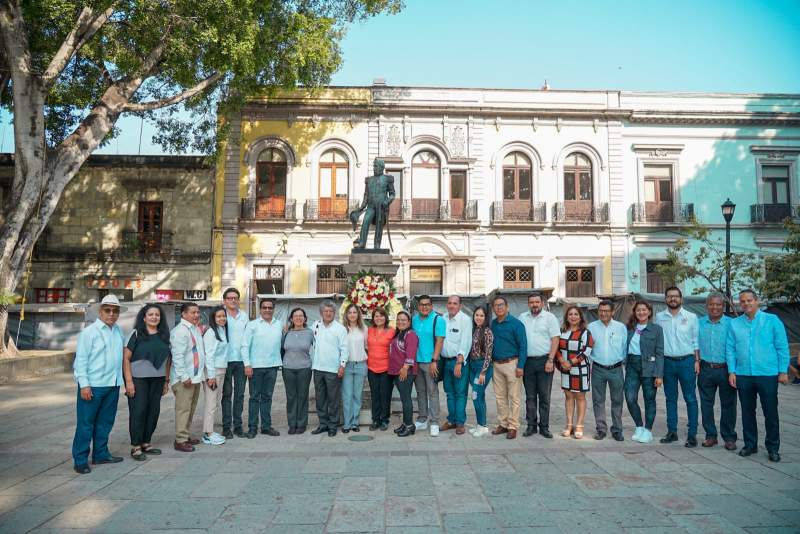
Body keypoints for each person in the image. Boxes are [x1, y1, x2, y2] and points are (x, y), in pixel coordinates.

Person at [727, 289, 790, 462]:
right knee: (747, 411)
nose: (746, 304)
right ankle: (750, 444)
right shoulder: (735, 324)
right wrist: (732, 371)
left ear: (757, 301)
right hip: (743, 374)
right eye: (742, 301)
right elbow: (730, 349)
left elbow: (782, 346)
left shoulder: (772, 321)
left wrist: (783, 371)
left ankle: (773, 447)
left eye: (749, 300)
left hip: (767, 373)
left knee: (770, 411)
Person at [72, 294, 126, 474]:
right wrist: (84, 385)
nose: (111, 314)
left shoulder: (118, 331)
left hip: (113, 384)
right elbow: (80, 360)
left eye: (115, 311)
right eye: (108, 310)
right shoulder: (89, 333)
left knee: (105, 422)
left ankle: (101, 454)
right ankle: (80, 460)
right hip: (93, 386)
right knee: (86, 424)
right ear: (100, 311)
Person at [123, 303, 171, 461]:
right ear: (144, 317)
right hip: (138, 379)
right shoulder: (136, 334)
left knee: (153, 411)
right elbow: (126, 358)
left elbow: (168, 360)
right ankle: (135, 445)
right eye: (150, 314)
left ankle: (146, 442)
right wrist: (129, 382)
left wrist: (166, 381)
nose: (154, 317)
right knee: (139, 411)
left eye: (157, 315)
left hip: (157, 380)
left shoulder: (164, 335)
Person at [655, 286, 700, 448]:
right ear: (665, 299)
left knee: (690, 398)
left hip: (687, 362)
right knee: (670, 398)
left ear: (681, 299)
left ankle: (692, 434)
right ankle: (672, 431)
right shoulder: (659, 317)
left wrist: (697, 361)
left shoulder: (691, 317)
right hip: (668, 363)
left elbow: (696, 340)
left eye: (676, 296)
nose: (672, 299)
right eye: (669, 296)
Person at [697, 293, 737, 450]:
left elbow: (735, 347)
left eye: (718, 304)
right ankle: (711, 436)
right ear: (706, 306)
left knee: (728, 404)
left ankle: (729, 437)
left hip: (726, 369)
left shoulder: (732, 324)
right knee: (706, 404)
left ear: (723, 306)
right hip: (706, 368)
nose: (715, 307)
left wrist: (733, 370)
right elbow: (695, 344)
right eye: (711, 304)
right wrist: (697, 361)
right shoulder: (699, 323)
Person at [518, 292, 560, 439]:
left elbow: (555, 339)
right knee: (530, 396)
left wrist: (550, 360)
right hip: (528, 362)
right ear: (528, 304)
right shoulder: (522, 318)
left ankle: (544, 427)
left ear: (542, 303)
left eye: (537, 302)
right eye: (531, 302)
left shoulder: (550, 318)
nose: (534, 305)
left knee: (544, 396)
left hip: (545, 361)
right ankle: (531, 426)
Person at [241, 298, 282, 438]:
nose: (267, 310)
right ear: (260, 309)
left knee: (267, 397)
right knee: (254, 398)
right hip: (256, 367)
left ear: (273, 309)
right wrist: (247, 364)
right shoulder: (252, 325)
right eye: (264, 307)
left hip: (272, 366)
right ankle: (252, 427)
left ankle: (266, 426)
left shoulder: (279, 325)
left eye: (270, 307)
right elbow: (245, 346)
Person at [587, 300, 627, 441]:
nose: (603, 313)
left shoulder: (621, 327)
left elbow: (624, 348)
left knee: (617, 400)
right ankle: (601, 429)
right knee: (598, 400)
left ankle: (617, 429)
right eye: (601, 311)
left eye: (606, 311)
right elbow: (587, 347)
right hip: (598, 368)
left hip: (616, 369)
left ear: (612, 312)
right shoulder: (591, 327)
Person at [625, 300, 664, 444]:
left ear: (649, 312)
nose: (641, 312)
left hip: (649, 367)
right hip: (632, 367)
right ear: (635, 313)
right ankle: (639, 426)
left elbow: (660, 352)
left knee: (649, 400)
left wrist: (659, 375)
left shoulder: (656, 329)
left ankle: (648, 430)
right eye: (638, 310)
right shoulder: (629, 328)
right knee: (630, 398)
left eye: (644, 310)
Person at [170, 302, 207, 452]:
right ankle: (180, 440)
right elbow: (177, 356)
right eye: (193, 312)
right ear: (183, 314)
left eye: (198, 312)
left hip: (195, 377)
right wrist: (184, 376)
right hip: (184, 378)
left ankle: (185, 435)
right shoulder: (180, 331)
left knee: (190, 409)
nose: (196, 315)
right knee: (183, 409)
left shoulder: (194, 329)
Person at [490, 295, 527, 440]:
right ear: (493, 308)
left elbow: (523, 346)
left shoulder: (516, 324)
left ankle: (513, 426)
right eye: (496, 306)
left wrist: (520, 366)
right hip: (497, 365)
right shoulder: (493, 324)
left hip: (512, 364)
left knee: (514, 397)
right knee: (500, 397)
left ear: (507, 307)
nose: (498, 308)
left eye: (501, 305)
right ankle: (503, 423)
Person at [311, 300, 349, 437]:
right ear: (321, 312)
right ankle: (323, 424)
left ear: (334, 313)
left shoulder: (340, 329)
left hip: (333, 369)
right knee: (320, 398)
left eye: (331, 311)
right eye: (325, 311)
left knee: (333, 399)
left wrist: (342, 365)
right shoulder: (315, 326)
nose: (328, 313)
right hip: (317, 368)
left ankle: (333, 425)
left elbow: (344, 348)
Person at [556, 306, 594, 439]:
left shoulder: (585, 333)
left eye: (576, 314)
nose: (573, 316)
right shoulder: (562, 331)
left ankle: (579, 426)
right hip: (565, 369)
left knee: (580, 397)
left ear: (580, 317)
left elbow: (587, 350)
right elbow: (556, 347)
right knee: (568, 396)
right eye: (570, 314)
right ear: (567, 317)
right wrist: (561, 360)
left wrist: (571, 362)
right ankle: (569, 425)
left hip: (580, 368)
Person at [411, 295, 445, 436]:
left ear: (431, 306)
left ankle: (434, 421)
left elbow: (439, 341)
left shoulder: (438, 320)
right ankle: (422, 418)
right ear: (418, 306)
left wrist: (434, 361)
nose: (424, 307)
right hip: (416, 362)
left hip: (430, 362)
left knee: (432, 392)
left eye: (427, 304)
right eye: (422, 304)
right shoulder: (414, 320)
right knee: (420, 392)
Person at [440, 295, 473, 435]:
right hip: (445, 361)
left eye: (455, 303)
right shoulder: (442, 318)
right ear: (447, 305)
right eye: (450, 303)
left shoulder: (465, 320)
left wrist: (459, 362)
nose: (452, 305)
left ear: (460, 306)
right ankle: (451, 420)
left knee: (460, 393)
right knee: (449, 393)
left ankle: (460, 422)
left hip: (458, 362)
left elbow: (466, 342)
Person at [282, 307, 314, 435]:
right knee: (291, 397)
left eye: (301, 316)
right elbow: (281, 348)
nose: (298, 318)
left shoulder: (310, 332)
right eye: (296, 316)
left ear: (305, 318)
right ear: (291, 318)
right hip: (288, 368)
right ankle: (292, 423)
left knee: (302, 396)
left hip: (304, 368)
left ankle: (301, 423)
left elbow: (317, 347)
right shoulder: (286, 333)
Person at [221, 287, 249, 439]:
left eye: (235, 298)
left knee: (239, 395)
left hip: (240, 361)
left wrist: (248, 362)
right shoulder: (220, 315)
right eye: (230, 298)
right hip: (225, 361)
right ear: (224, 301)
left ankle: (238, 426)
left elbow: (247, 338)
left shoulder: (244, 316)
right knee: (227, 395)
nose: (233, 300)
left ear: (238, 300)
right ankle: (226, 427)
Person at [201, 306, 228, 446]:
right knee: (211, 403)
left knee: (215, 402)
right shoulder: (211, 332)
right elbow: (209, 355)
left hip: (221, 370)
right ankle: (208, 433)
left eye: (223, 316)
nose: (222, 319)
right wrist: (210, 376)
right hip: (213, 373)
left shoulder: (222, 330)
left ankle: (209, 430)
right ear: (213, 318)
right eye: (218, 316)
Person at [389, 311, 419, 437]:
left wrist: (406, 367)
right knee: (403, 398)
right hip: (397, 371)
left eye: (403, 320)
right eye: (398, 320)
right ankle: (406, 423)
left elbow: (411, 352)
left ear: (409, 322)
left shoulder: (411, 334)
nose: (400, 322)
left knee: (406, 399)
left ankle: (409, 426)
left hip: (405, 372)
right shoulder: (401, 333)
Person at [342, 304, 369, 433]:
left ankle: (355, 423)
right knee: (347, 395)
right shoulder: (342, 329)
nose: (352, 315)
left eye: (354, 312)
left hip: (360, 365)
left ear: (358, 314)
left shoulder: (364, 329)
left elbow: (367, 347)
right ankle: (347, 423)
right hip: (347, 366)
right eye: (350, 312)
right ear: (346, 315)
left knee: (357, 395)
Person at [468, 305, 494, 437]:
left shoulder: (487, 331)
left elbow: (489, 354)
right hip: (472, 366)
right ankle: (481, 425)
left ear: (486, 317)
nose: (478, 317)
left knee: (475, 395)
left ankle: (482, 425)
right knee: (480, 396)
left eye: (481, 315)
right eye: (477, 315)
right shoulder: (473, 330)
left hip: (483, 367)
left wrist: (483, 372)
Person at [367, 307, 395, 431]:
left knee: (385, 395)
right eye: (376, 316)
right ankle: (375, 419)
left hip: (386, 368)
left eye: (381, 315)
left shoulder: (392, 331)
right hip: (371, 367)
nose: (379, 318)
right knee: (375, 395)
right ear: (373, 318)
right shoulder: (369, 330)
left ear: (385, 317)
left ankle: (384, 419)